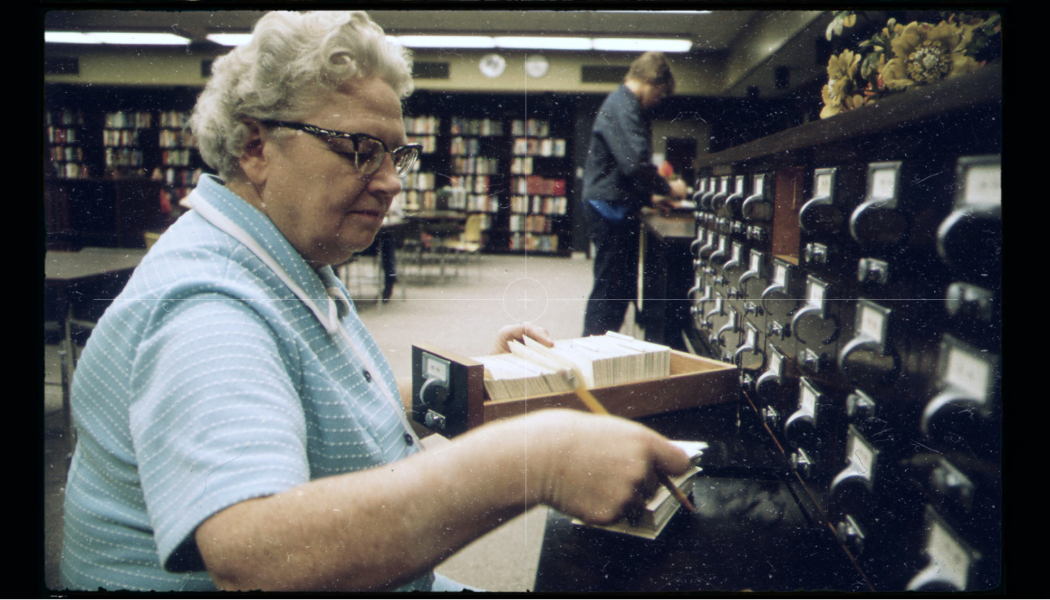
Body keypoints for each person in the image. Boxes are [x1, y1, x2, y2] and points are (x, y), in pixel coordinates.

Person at [59, 11, 692, 593]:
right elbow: (255, 556)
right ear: (255, 148)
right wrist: (539, 458)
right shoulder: (206, 307)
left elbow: (319, 406)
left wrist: (466, 388)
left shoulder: (284, 256)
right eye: (361, 150)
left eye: (397, 155)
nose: (392, 182)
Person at [581, 51, 688, 338]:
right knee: (610, 289)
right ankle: (591, 354)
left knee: (619, 287)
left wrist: (650, 198)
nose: (659, 100)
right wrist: (669, 188)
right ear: (651, 82)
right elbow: (634, 165)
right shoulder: (624, 105)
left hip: (614, 203)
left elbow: (623, 167)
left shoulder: (623, 104)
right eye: (661, 94)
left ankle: (603, 351)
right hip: (609, 208)